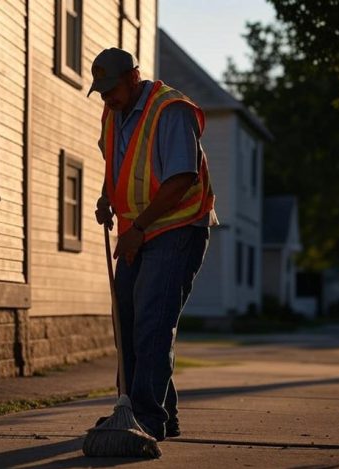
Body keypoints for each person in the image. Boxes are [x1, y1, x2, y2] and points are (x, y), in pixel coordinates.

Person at [88, 47, 218, 441]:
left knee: (152, 322)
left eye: (112, 87)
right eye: (102, 90)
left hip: (177, 228)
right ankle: (142, 411)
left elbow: (181, 179)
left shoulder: (171, 110)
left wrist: (139, 228)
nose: (107, 96)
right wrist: (106, 196)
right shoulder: (113, 113)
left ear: (133, 77)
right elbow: (120, 164)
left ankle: (145, 419)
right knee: (127, 321)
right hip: (138, 231)